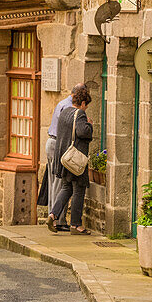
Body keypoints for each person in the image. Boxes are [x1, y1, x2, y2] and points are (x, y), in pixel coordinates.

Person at [47, 84, 93, 235]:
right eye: (86, 105)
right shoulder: (79, 113)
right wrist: (89, 126)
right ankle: (76, 225)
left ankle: (53, 214)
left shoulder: (65, 110)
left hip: (64, 157)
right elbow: (82, 132)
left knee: (66, 188)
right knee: (78, 190)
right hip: (75, 159)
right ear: (83, 103)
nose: (86, 108)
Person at [45, 87, 76, 220]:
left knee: (53, 183)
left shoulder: (62, 102)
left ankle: (51, 216)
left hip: (51, 142)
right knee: (59, 183)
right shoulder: (69, 107)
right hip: (58, 144)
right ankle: (57, 219)